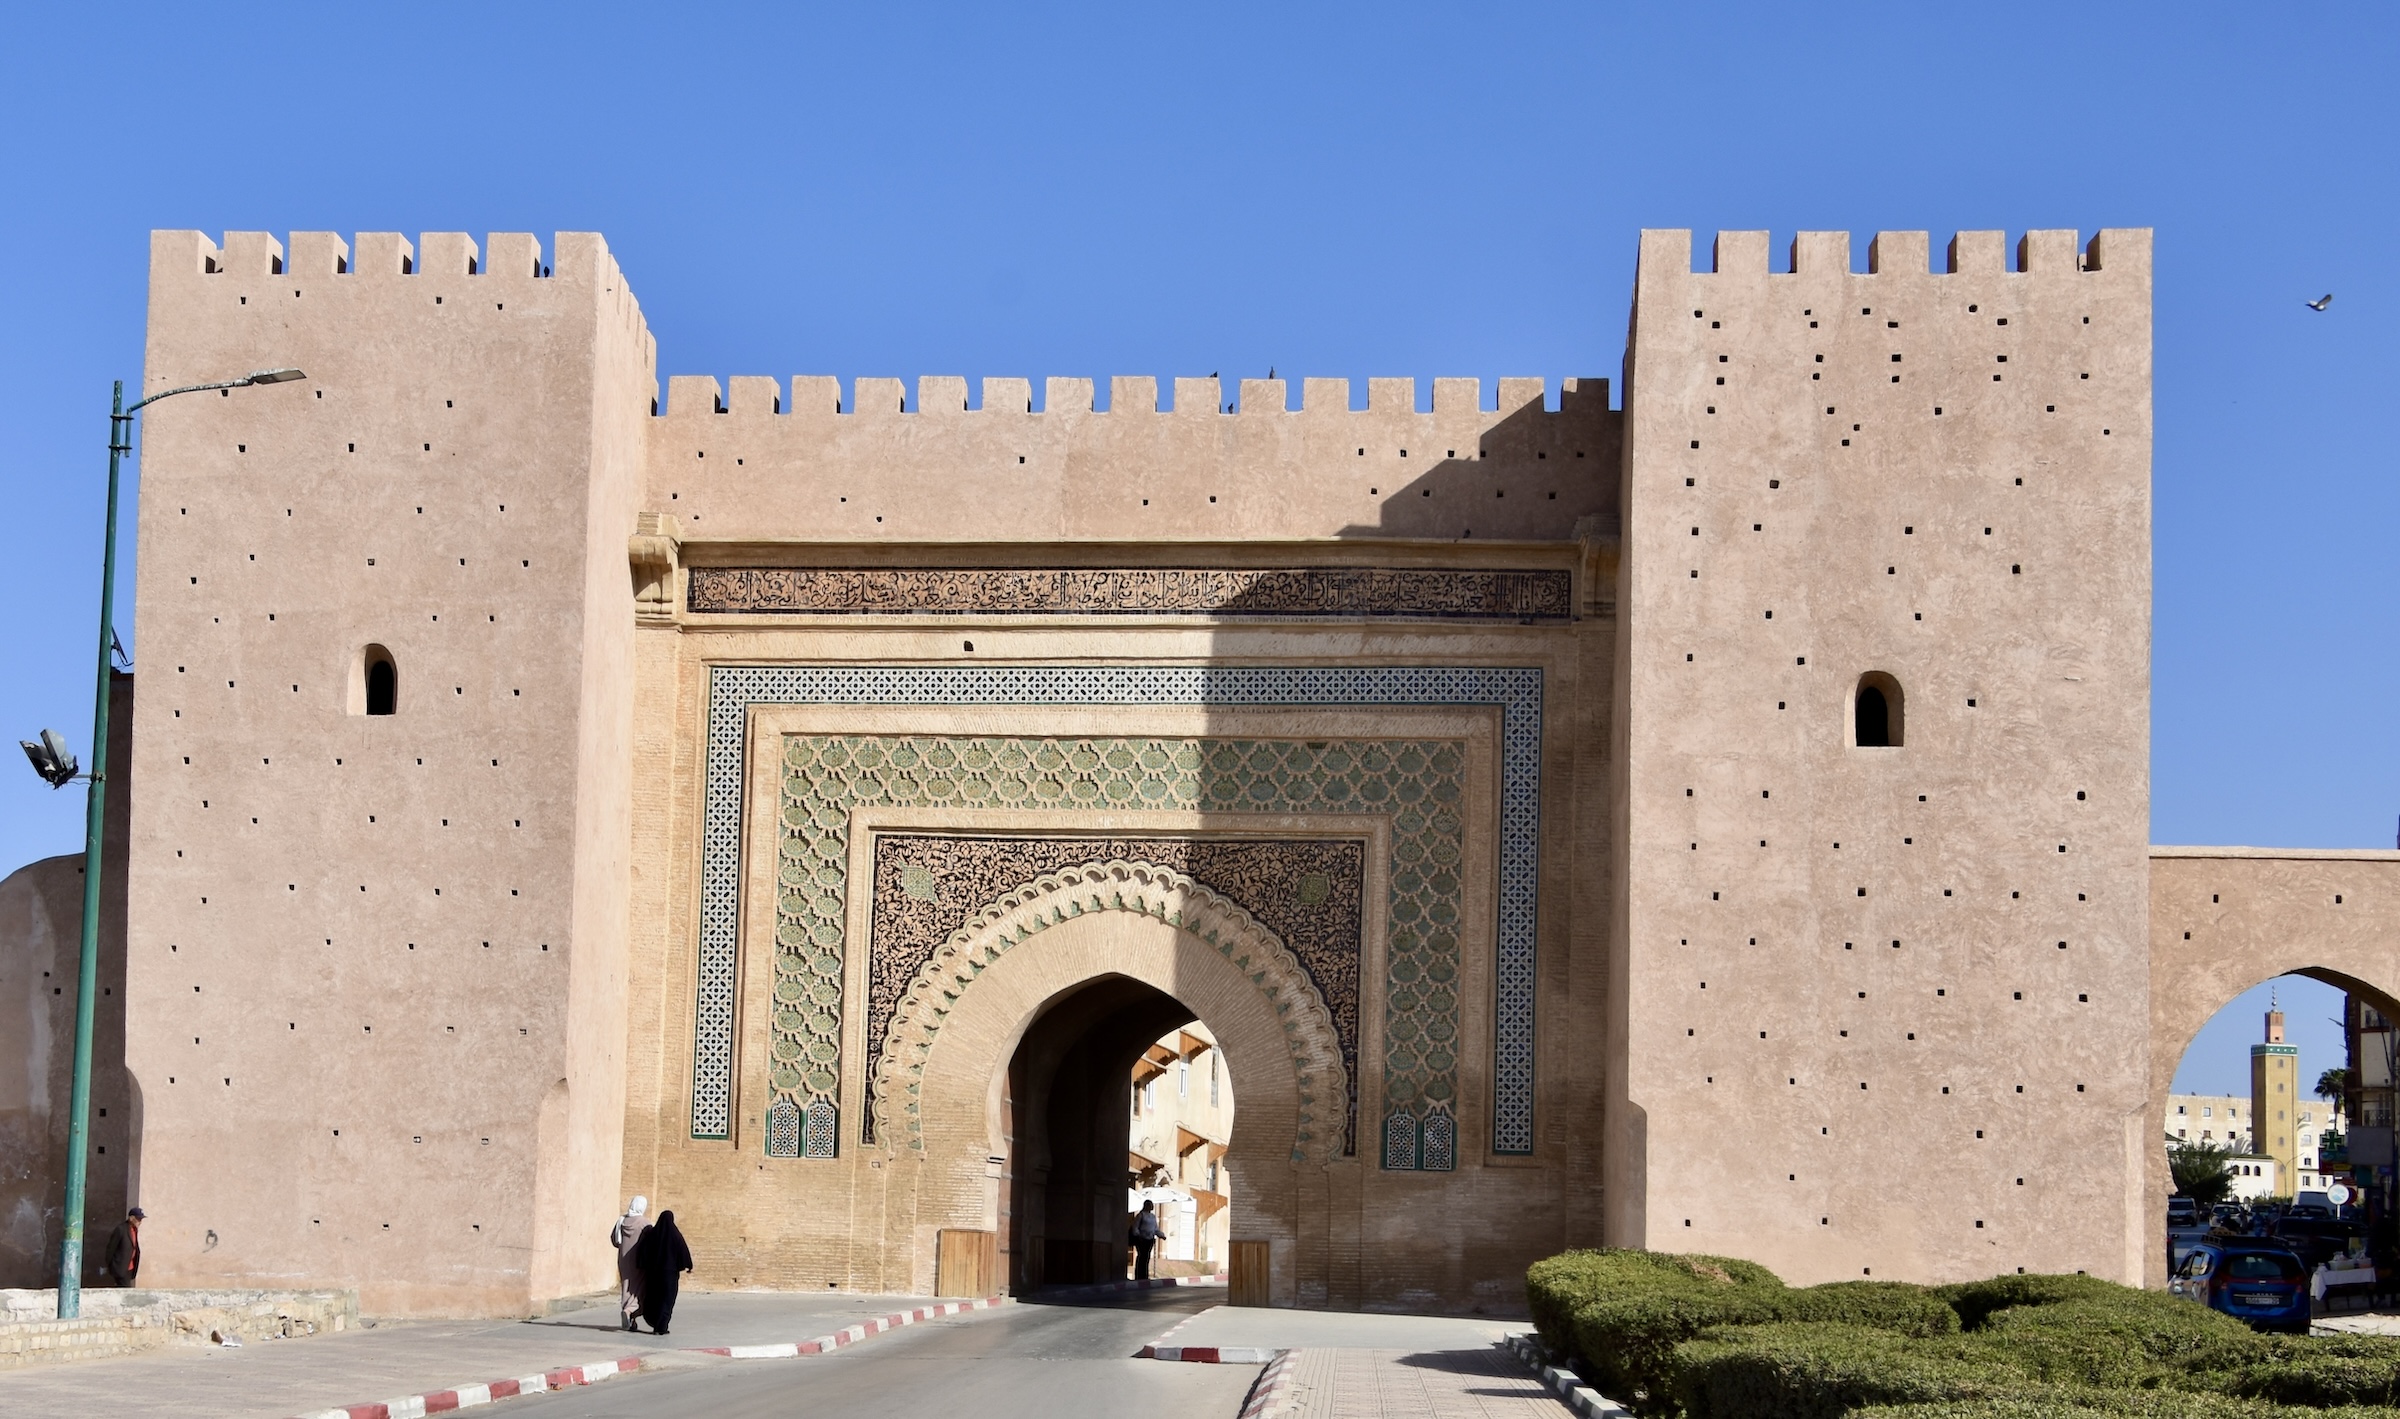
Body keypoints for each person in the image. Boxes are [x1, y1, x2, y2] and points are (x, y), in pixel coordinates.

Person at [633, 1209, 693, 1335]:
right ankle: (661, 1327)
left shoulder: (652, 1234)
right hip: (669, 1275)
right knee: (667, 1299)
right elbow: (682, 1250)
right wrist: (688, 1265)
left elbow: (643, 1251)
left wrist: (642, 1265)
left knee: (653, 1298)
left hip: (653, 1274)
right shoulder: (675, 1235)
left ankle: (654, 1322)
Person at [610, 1197, 650, 1332]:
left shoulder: (621, 1221)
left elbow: (614, 1240)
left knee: (626, 1287)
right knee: (638, 1288)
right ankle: (629, 1311)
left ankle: (631, 1320)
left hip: (623, 1260)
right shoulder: (644, 1223)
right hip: (639, 1262)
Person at [104, 1207, 144, 1287]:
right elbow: (111, 1248)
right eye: (138, 1219)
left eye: (141, 1219)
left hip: (130, 1267)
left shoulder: (134, 1230)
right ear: (131, 1218)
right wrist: (111, 1265)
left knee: (122, 1290)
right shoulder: (121, 1229)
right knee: (125, 1290)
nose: (140, 1222)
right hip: (120, 1268)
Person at [1130, 1200, 1161, 1282]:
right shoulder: (1141, 1215)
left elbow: (1155, 1229)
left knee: (1146, 1257)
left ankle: (1145, 1275)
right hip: (1141, 1239)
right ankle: (1139, 1275)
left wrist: (1161, 1235)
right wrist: (1137, 1235)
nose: (1151, 1206)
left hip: (1150, 1239)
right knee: (1141, 1256)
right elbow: (1135, 1227)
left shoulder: (1153, 1217)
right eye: (1150, 1205)